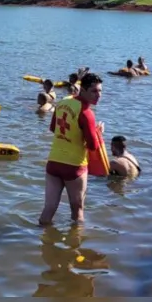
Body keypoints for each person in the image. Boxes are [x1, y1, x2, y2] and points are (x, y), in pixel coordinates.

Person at [39, 72, 104, 226]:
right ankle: (75, 246)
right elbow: (93, 146)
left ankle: (42, 242)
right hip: (74, 167)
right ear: (83, 90)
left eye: (100, 91)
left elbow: (53, 128)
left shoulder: (62, 102)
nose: (99, 95)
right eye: (94, 91)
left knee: (48, 209)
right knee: (77, 211)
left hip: (53, 163)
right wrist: (98, 132)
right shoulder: (87, 113)